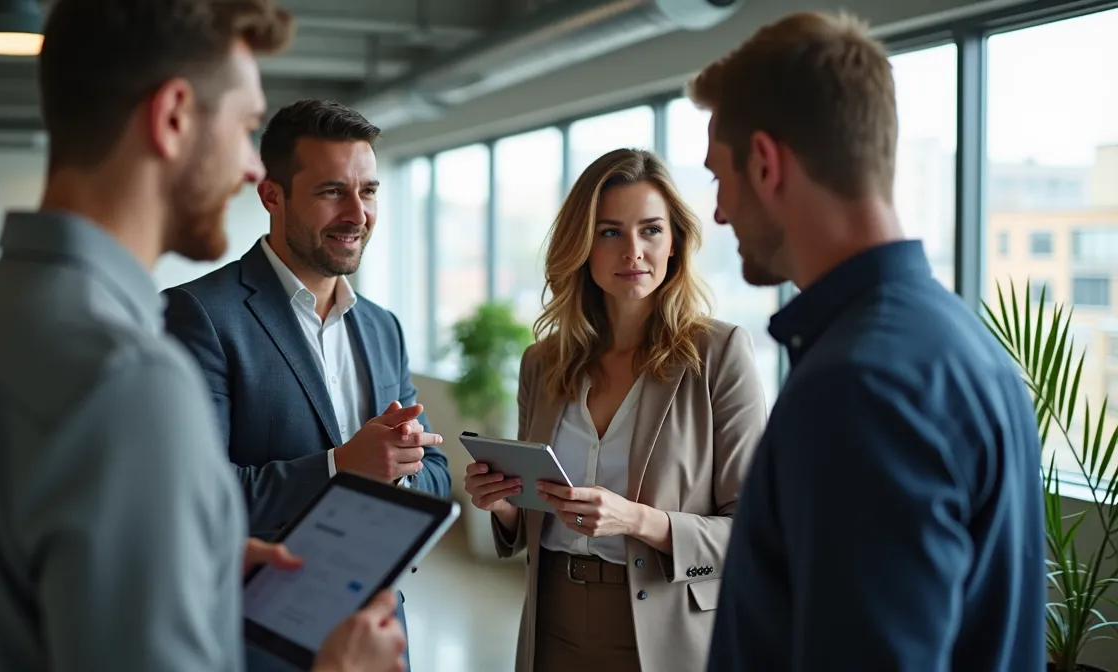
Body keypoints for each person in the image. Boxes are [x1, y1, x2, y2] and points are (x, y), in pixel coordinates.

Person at [0, 2, 408, 671]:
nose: (250, 169)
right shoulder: (125, 370)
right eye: (244, 127)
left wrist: (199, 566)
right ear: (174, 117)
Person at [691, 11, 1044, 672]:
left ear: (766, 163)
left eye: (719, 177)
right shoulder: (958, 343)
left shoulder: (859, 386)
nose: (718, 212)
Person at [163, 99, 450, 670]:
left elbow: (437, 476)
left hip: (379, 638)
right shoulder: (198, 315)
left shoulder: (382, 327)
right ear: (272, 195)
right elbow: (196, 503)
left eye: (368, 191)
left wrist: (403, 470)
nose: (357, 213)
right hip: (262, 643)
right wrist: (341, 465)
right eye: (330, 192)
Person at [461, 148, 767, 672]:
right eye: (609, 232)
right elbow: (532, 516)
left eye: (650, 230)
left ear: (675, 243)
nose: (633, 251)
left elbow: (757, 530)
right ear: (582, 245)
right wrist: (505, 502)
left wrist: (637, 520)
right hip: (550, 619)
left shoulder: (720, 354)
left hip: (666, 628)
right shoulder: (544, 362)